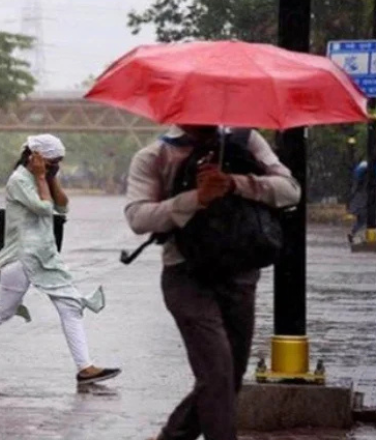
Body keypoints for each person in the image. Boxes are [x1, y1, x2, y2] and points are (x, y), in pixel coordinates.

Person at [125, 125, 300, 440]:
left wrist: (235, 183)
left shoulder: (247, 141)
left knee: (228, 376)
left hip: (240, 272)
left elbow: (290, 190)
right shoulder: (155, 155)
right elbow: (139, 218)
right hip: (186, 275)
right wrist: (196, 198)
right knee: (217, 373)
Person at [0, 134, 120, 386]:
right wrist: (42, 178)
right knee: (2, 311)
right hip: (24, 257)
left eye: (59, 162)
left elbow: (61, 207)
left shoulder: (41, 179)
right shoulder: (19, 180)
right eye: (53, 161)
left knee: (69, 307)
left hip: (43, 256)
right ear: (36, 157)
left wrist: (50, 178)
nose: (56, 166)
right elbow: (43, 208)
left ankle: (85, 368)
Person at [348, 161, 369, 243]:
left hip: (359, 206)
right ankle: (360, 237)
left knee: (361, 221)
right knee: (364, 220)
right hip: (364, 206)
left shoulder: (358, 183)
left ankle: (353, 234)